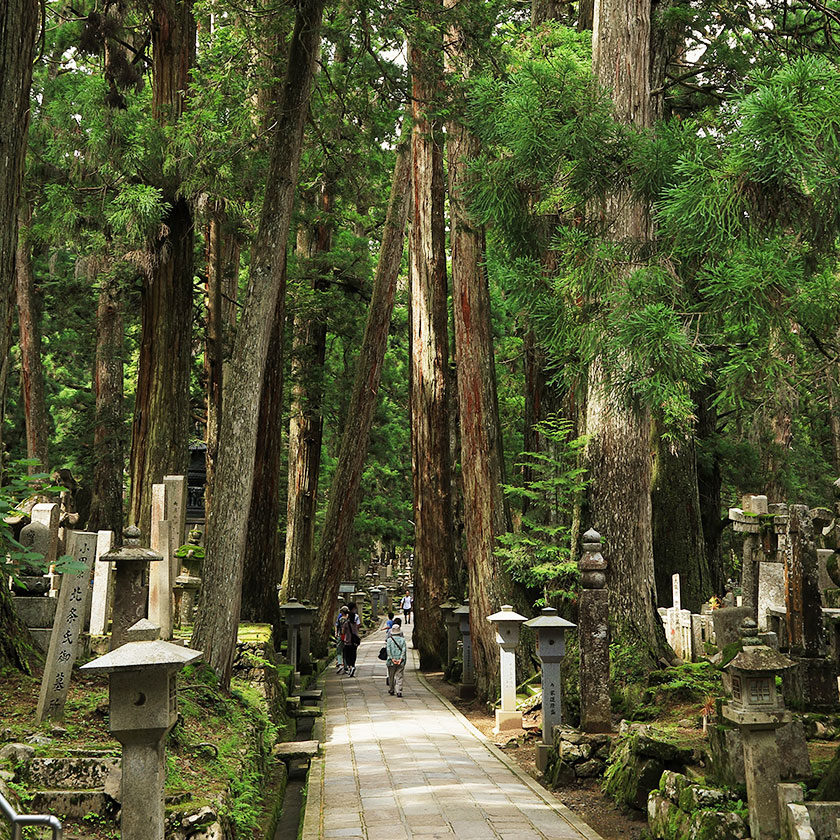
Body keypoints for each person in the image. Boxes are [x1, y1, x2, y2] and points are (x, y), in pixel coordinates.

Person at [386, 617, 407, 696]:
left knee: (391, 676)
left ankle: (391, 689)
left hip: (391, 661)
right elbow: (404, 650)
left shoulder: (389, 640)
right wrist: (400, 659)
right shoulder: (402, 640)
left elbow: (388, 650)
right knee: (399, 675)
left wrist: (392, 659)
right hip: (400, 661)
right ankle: (399, 691)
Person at [342, 603, 361, 676]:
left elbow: (343, 632)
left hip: (348, 641)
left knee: (347, 655)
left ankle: (350, 667)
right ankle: (353, 665)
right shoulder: (355, 624)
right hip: (354, 641)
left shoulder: (346, 623)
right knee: (353, 654)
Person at [334, 605, 349, 673]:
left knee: (339, 651)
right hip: (348, 637)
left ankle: (340, 664)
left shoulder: (340, 619)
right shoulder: (349, 619)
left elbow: (337, 626)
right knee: (346, 652)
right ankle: (346, 666)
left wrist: (336, 633)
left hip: (341, 636)